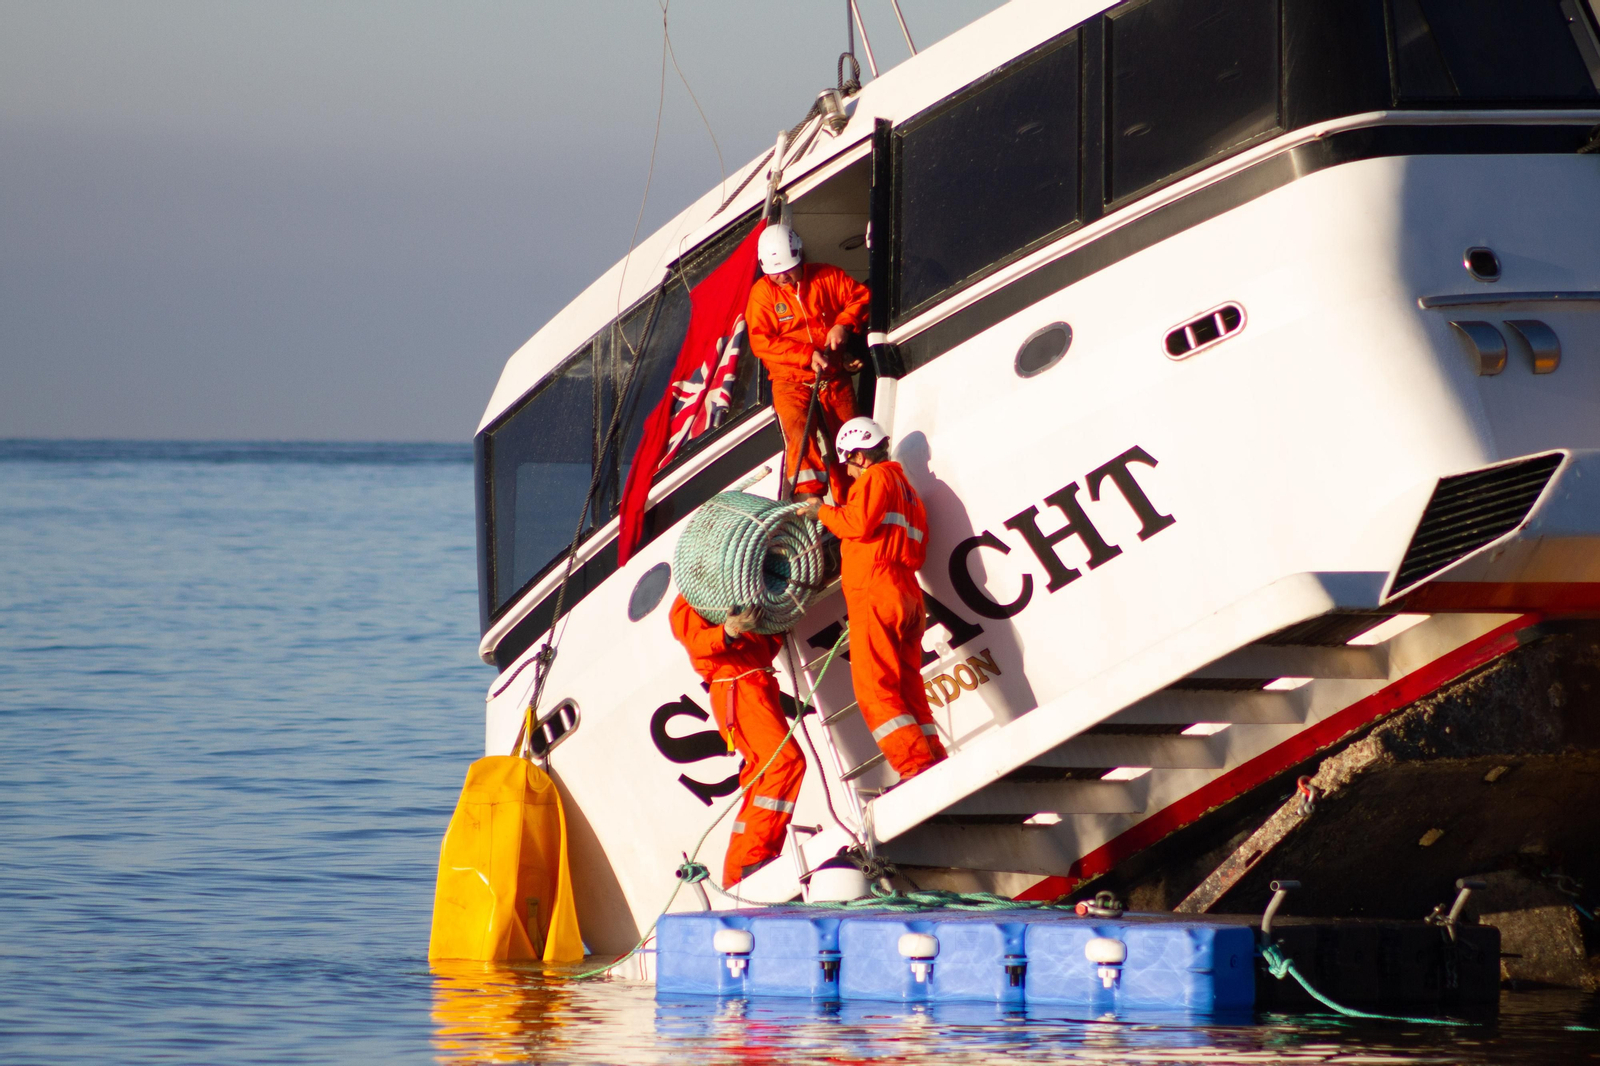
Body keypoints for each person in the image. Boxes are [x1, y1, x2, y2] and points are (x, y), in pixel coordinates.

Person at [800, 418, 947, 782]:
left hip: (876, 592)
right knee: (909, 692)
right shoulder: (907, 489)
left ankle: (916, 769)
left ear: (859, 455)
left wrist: (818, 509)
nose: (849, 471)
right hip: (907, 594)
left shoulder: (875, 478)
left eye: (849, 462)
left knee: (875, 691)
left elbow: (856, 525)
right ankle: (934, 761)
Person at [668, 594, 805, 885]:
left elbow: (761, 648)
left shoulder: (743, 592)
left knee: (762, 773)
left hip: (756, 682)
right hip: (736, 687)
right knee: (785, 763)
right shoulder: (694, 598)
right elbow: (695, 641)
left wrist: (775, 622)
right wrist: (728, 631)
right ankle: (755, 857)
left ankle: (738, 871)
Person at [744, 223, 870, 500]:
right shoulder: (762, 295)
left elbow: (860, 298)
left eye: (787, 269)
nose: (782, 277)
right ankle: (809, 499)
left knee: (850, 436)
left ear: (800, 257)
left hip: (833, 378)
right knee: (800, 431)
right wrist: (805, 355)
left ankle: (855, 500)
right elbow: (761, 341)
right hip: (791, 382)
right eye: (775, 273)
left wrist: (843, 325)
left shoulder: (827, 277)